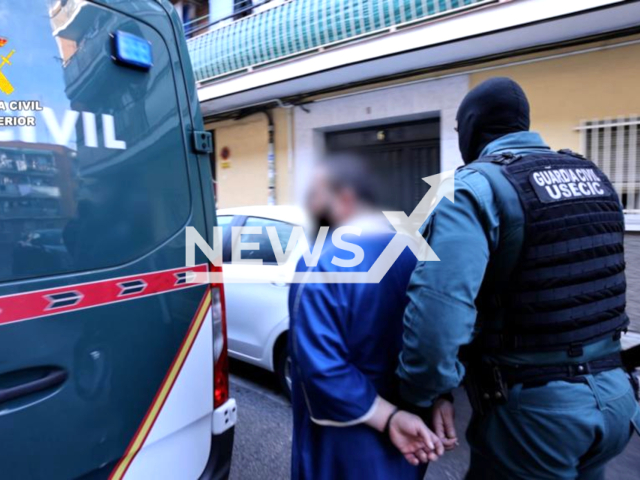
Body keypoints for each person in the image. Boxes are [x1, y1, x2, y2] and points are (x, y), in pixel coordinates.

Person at [397, 77, 640, 479]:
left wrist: (423, 395)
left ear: (472, 128)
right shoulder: (595, 178)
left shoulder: (473, 189)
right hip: (617, 403)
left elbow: (438, 314)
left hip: (538, 420)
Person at [289, 157, 443, 480]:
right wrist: (440, 395)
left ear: (345, 199)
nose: (311, 206)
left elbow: (321, 369)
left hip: (344, 440)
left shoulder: (320, 261)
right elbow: (438, 334)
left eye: (316, 196)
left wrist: (388, 418)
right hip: (412, 433)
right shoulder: (412, 251)